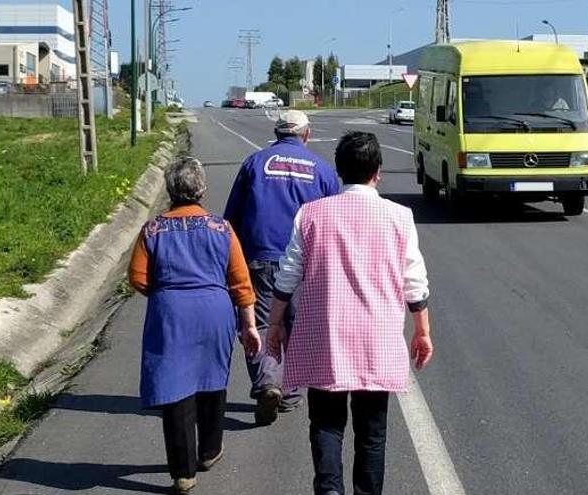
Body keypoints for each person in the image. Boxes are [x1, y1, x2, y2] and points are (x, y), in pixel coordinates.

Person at [267, 132, 434, 495]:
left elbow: (288, 274)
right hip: (377, 339)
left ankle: (329, 491)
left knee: (326, 424)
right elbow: (414, 281)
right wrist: (422, 330)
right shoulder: (399, 217)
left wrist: (275, 325)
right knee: (372, 431)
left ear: (339, 171)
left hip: (326, 337)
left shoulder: (311, 214)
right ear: (378, 171)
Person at [129, 157, 260, 494]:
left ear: (170, 189)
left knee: (175, 388)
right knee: (212, 378)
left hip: (170, 312)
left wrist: (165, 292)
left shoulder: (153, 229)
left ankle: (183, 473)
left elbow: (138, 278)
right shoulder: (222, 229)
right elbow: (241, 283)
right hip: (215, 311)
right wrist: (249, 326)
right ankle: (210, 449)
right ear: (202, 188)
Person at [223, 110, 341, 425]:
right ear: (307, 134)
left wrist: (229, 260)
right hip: (304, 263)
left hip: (259, 258)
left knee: (259, 323)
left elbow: (231, 216)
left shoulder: (254, 163)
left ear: (276, 134)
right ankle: (289, 392)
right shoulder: (323, 170)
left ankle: (266, 382)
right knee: (298, 327)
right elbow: (335, 221)